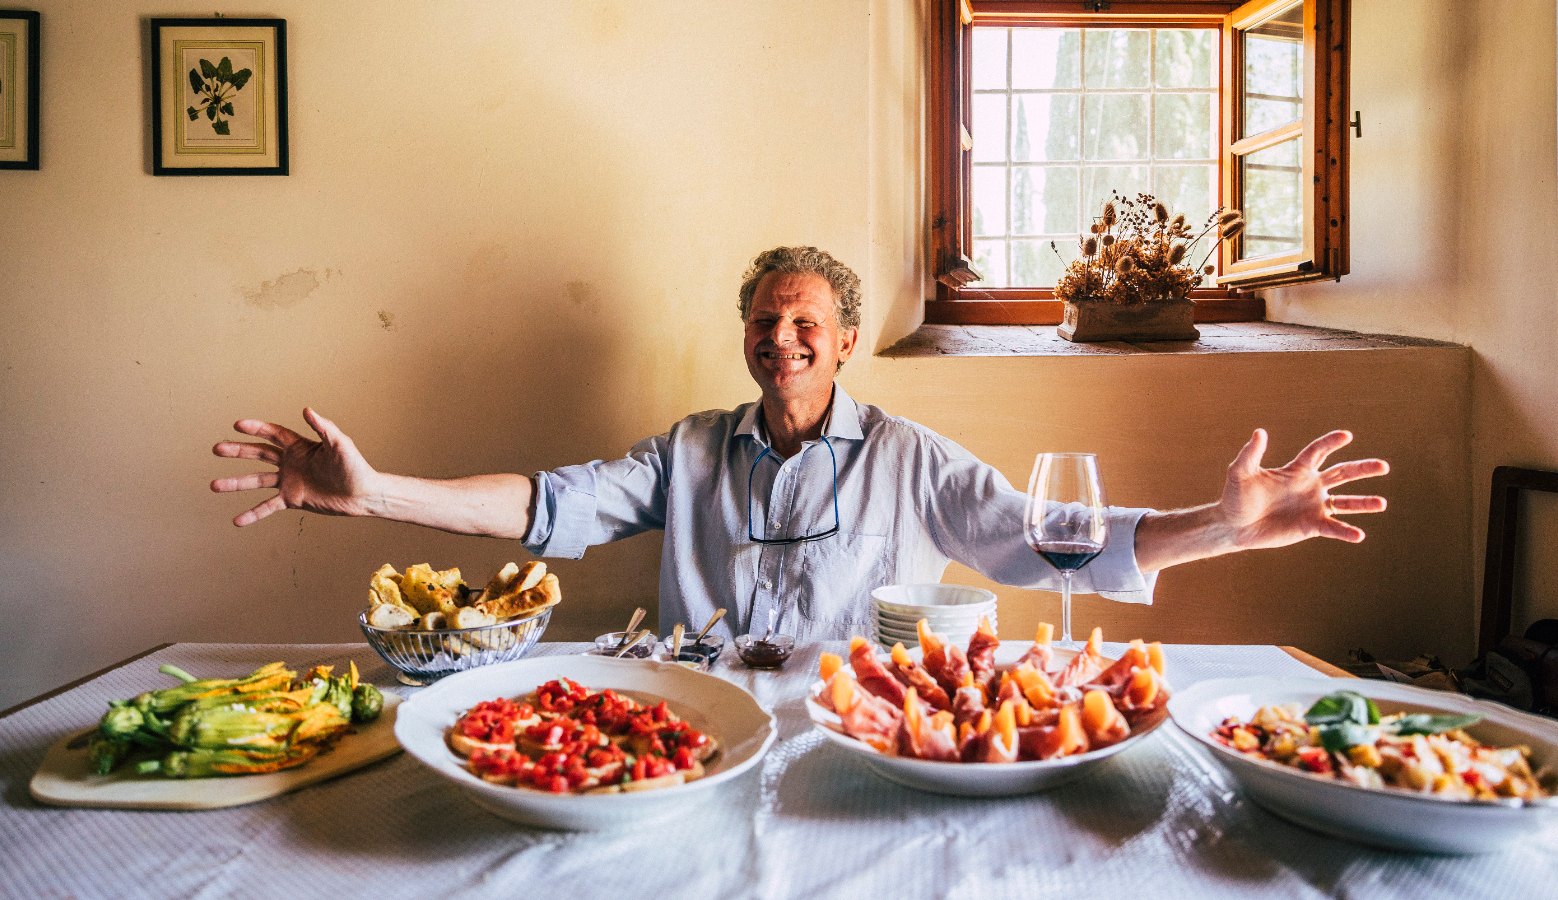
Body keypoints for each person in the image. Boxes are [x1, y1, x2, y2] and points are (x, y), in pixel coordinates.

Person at [212, 246, 1388, 640]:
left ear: (847, 341)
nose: (784, 340)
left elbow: (1055, 544)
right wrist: (376, 497)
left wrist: (1226, 527)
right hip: (698, 732)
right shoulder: (687, 450)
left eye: (807, 324)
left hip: (861, 737)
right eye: (767, 323)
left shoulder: (912, 455)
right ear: (745, 337)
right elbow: (546, 508)